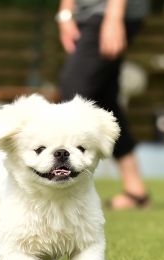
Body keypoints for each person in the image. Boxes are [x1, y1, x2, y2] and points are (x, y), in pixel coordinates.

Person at [57, 0, 151, 209]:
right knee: (104, 102)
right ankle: (137, 191)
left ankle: (63, 191)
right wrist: (66, 13)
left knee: (75, 92)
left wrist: (114, 16)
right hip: (86, 14)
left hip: (109, 10)